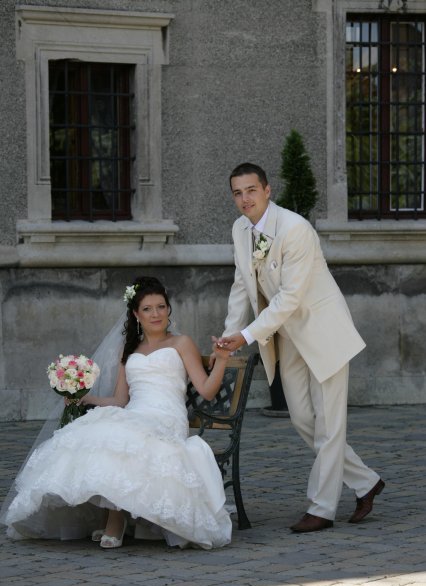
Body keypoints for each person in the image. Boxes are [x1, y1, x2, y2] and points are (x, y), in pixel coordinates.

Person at [1, 276, 232, 549]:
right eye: (147, 309)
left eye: (161, 307)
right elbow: (120, 400)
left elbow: (206, 390)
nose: (156, 314)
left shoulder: (181, 343)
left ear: (169, 309)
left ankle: (115, 520)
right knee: (98, 431)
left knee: (124, 435)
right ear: (136, 314)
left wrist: (222, 360)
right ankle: (112, 515)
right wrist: (87, 398)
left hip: (165, 418)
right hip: (134, 414)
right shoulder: (129, 349)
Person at [218, 162, 384, 533]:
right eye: (237, 193)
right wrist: (230, 337)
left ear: (267, 190)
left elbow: (289, 298)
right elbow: (242, 285)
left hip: (323, 333)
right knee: (302, 419)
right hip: (287, 336)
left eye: (251, 190)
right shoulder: (240, 229)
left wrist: (247, 335)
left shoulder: (295, 228)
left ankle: (321, 508)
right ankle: (366, 481)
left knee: (329, 424)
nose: (245, 199)